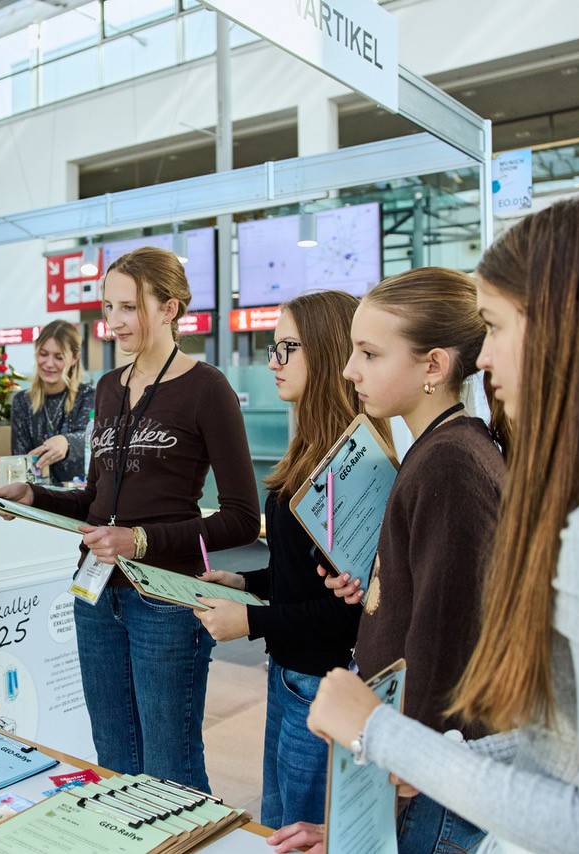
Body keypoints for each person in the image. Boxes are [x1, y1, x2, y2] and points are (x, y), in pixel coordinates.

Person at [298, 195, 579, 854]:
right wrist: (425, 754)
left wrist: (379, 732)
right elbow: (575, 745)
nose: (485, 358)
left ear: (565, 325)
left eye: (494, 327)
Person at [0, 246, 261, 792]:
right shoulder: (110, 387)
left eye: (128, 307)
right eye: (108, 307)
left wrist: (141, 539)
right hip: (96, 596)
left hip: (165, 599)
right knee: (113, 758)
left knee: (170, 768)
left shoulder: (207, 389)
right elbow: (96, 502)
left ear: (169, 308)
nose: (113, 322)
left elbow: (241, 518)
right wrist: (34, 496)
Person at [275, 267, 508, 853]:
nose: (349, 370)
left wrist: (383, 799)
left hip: (428, 783)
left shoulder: (450, 463)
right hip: (421, 770)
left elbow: (445, 649)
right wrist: (378, 588)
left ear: (434, 366)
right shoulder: (441, 449)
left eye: (370, 353)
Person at [193, 290, 391, 827]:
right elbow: (306, 576)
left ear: (326, 352)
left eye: (288, 348)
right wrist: (247, 582)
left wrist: (250, 620)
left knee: (298, 829)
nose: (273, 362)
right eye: (272, 348)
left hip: (322, 683)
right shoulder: (310, 449)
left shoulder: (355, 465)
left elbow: (347, 612)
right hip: (289, 674)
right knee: (279, 822)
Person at [10, 319, 96, 486]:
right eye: (43, 354)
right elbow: (20, 459)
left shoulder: (88, 396)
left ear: (75, 357)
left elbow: (93, 438)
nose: (49, 364)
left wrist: (66, 442)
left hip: (78, 494)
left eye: (59, 357)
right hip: (37, 495)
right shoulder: (22, 402)